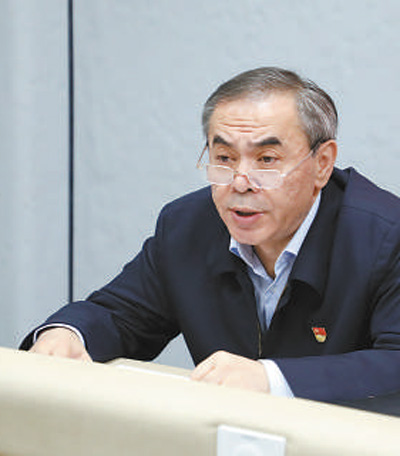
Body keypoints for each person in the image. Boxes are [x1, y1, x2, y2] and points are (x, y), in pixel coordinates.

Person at [21, 67, 400, 403]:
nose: (240, 182)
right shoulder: (187, 226)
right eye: (224, 158)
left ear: (322, 164)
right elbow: (120, 316)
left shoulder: (385, 235)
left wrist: (269, 379)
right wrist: (69, 335)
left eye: (266, 160)